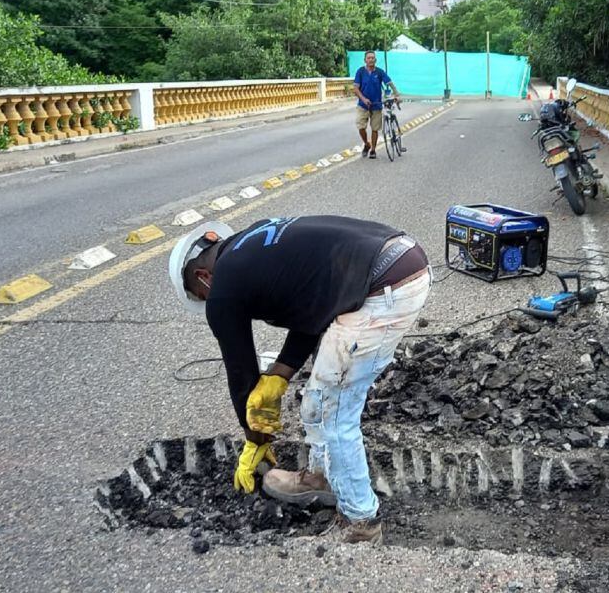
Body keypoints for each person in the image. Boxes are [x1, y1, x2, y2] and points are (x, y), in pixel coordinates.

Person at [168, 216, 431, 544]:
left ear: (202, 276)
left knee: (330, 412)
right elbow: (312, 309)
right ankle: (323, 478)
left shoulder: (222, 288)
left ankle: (361, 522)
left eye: (200, 294)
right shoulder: (252, 242)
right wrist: (280, 374)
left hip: (384, 289)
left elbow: (241, 375)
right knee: (316, 404)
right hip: (400, 259)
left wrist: (256, 442)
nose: (208, 299)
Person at [353, 51, 401, 159]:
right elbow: (355, 89)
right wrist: (364, 99)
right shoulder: (360, 72)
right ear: (365, 60)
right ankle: (366, 144)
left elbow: (389, 83)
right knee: (361, 127)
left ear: (375, 60)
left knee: (375, 128)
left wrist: (396, 94)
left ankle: (373, 150)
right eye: (369, 58)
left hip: (376, 105)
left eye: (373, 58)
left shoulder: (379, 72)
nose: (371, 60)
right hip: (363, 105)